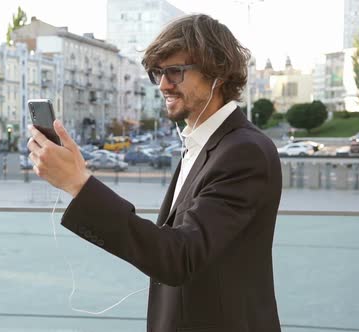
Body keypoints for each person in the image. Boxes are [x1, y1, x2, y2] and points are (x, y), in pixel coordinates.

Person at [27, 14, 282, 332]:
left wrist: (79, 183)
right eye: (157, 73)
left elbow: (181, 257)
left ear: (217, 72)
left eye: (174, 72)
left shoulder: (244, 152)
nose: (162, 84)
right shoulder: (202, 143)